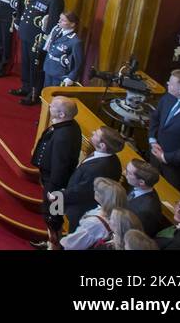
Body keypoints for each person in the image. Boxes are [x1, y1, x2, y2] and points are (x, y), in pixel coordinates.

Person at [31, 96, 81, 248]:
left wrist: (53, 190)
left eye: (52, 107)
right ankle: (51, 242)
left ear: (62, 115)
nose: (49, 107)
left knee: (52, 216)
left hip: (56, 186)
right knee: (52, 215)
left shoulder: (64, 136)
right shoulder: (65, 126)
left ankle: (54, 245)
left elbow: (60, 166)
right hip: (51, 181)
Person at [58, 126, 125, 234]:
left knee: (58, 222)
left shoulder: (98, 169)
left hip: (77, 209)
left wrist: (60, 195)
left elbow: (82, 192)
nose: (93, 132)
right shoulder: (112, 158)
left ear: (103, 145)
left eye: (96, 134)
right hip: (75, 196)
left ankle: (54, 240)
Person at [12, 0, 63, 106]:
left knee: (35, 67)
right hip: (27, 33)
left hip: (37, 38)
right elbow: (28, 8)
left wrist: (45, 42)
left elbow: (52, 21)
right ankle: (25, 87)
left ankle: (34, 94)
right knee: (26, 63)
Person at [59, 177, 133, 250]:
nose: (94, 190)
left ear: (105, 199)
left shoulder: (93, 224)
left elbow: (71, 245)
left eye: (97, 191)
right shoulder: (119, 216)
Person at [123, 158, 167, 237]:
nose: (125, 173)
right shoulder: (136, 185)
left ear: (141, 182)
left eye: (129, 173)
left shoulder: (146, 210)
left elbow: (137, 234)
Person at [41, 11, 84, 88]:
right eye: (60, 18)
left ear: (72, 24)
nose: (59, 21)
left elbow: (79, 63)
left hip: (60, 74)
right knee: (45, 93)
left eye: (63, 20)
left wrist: (71, 77)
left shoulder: (75, 41)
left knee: (55, 96)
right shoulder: (56, 31)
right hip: (49, 67)